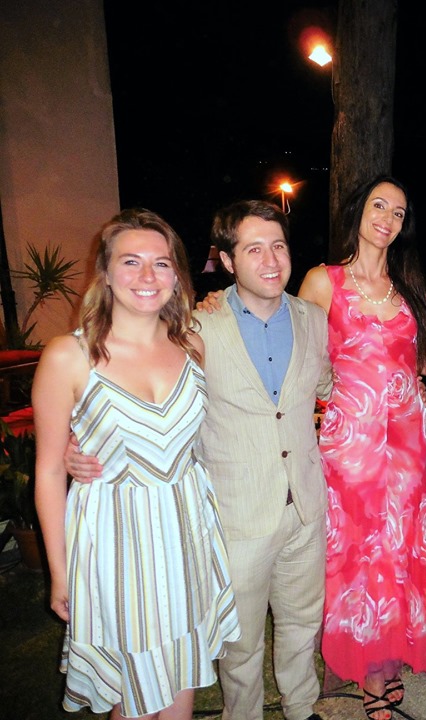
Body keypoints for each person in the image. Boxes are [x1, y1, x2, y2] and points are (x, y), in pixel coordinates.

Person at [65, 201, 334, 720]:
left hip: (305, 505)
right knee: (241, 642)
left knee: (303, 623)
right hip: (235, 514)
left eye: (278, 246)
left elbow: (328, 385)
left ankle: (302, 708)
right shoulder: (193, 328)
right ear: (227, 261)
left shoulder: (314, 319)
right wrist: (77, 450)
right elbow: (137, 396)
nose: (271, 260)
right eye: (253, 249)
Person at [33, 209, 241, 718]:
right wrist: (59, 573)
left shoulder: (192, 344)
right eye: (131, 261)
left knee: (182, 676)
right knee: (133, 696)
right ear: (104, 272)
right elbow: (49, 472)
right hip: (116, 545)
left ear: (177, 275)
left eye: (162, 263)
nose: (148, 276)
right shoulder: (69, 356)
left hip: (187, 535)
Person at [297, 175, 426, 720]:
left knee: (399, 547)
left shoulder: (409, 287)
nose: (388, 218)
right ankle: (367, 666)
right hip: (350, 447)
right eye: (379, 206)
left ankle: (391, 654)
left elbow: (424, 358)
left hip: (406, 447)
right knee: (358, 554)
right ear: (358, 212)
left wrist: (415, 387)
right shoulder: (323, 281)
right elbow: (299, 357)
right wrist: (328, 400)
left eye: (399, 212)